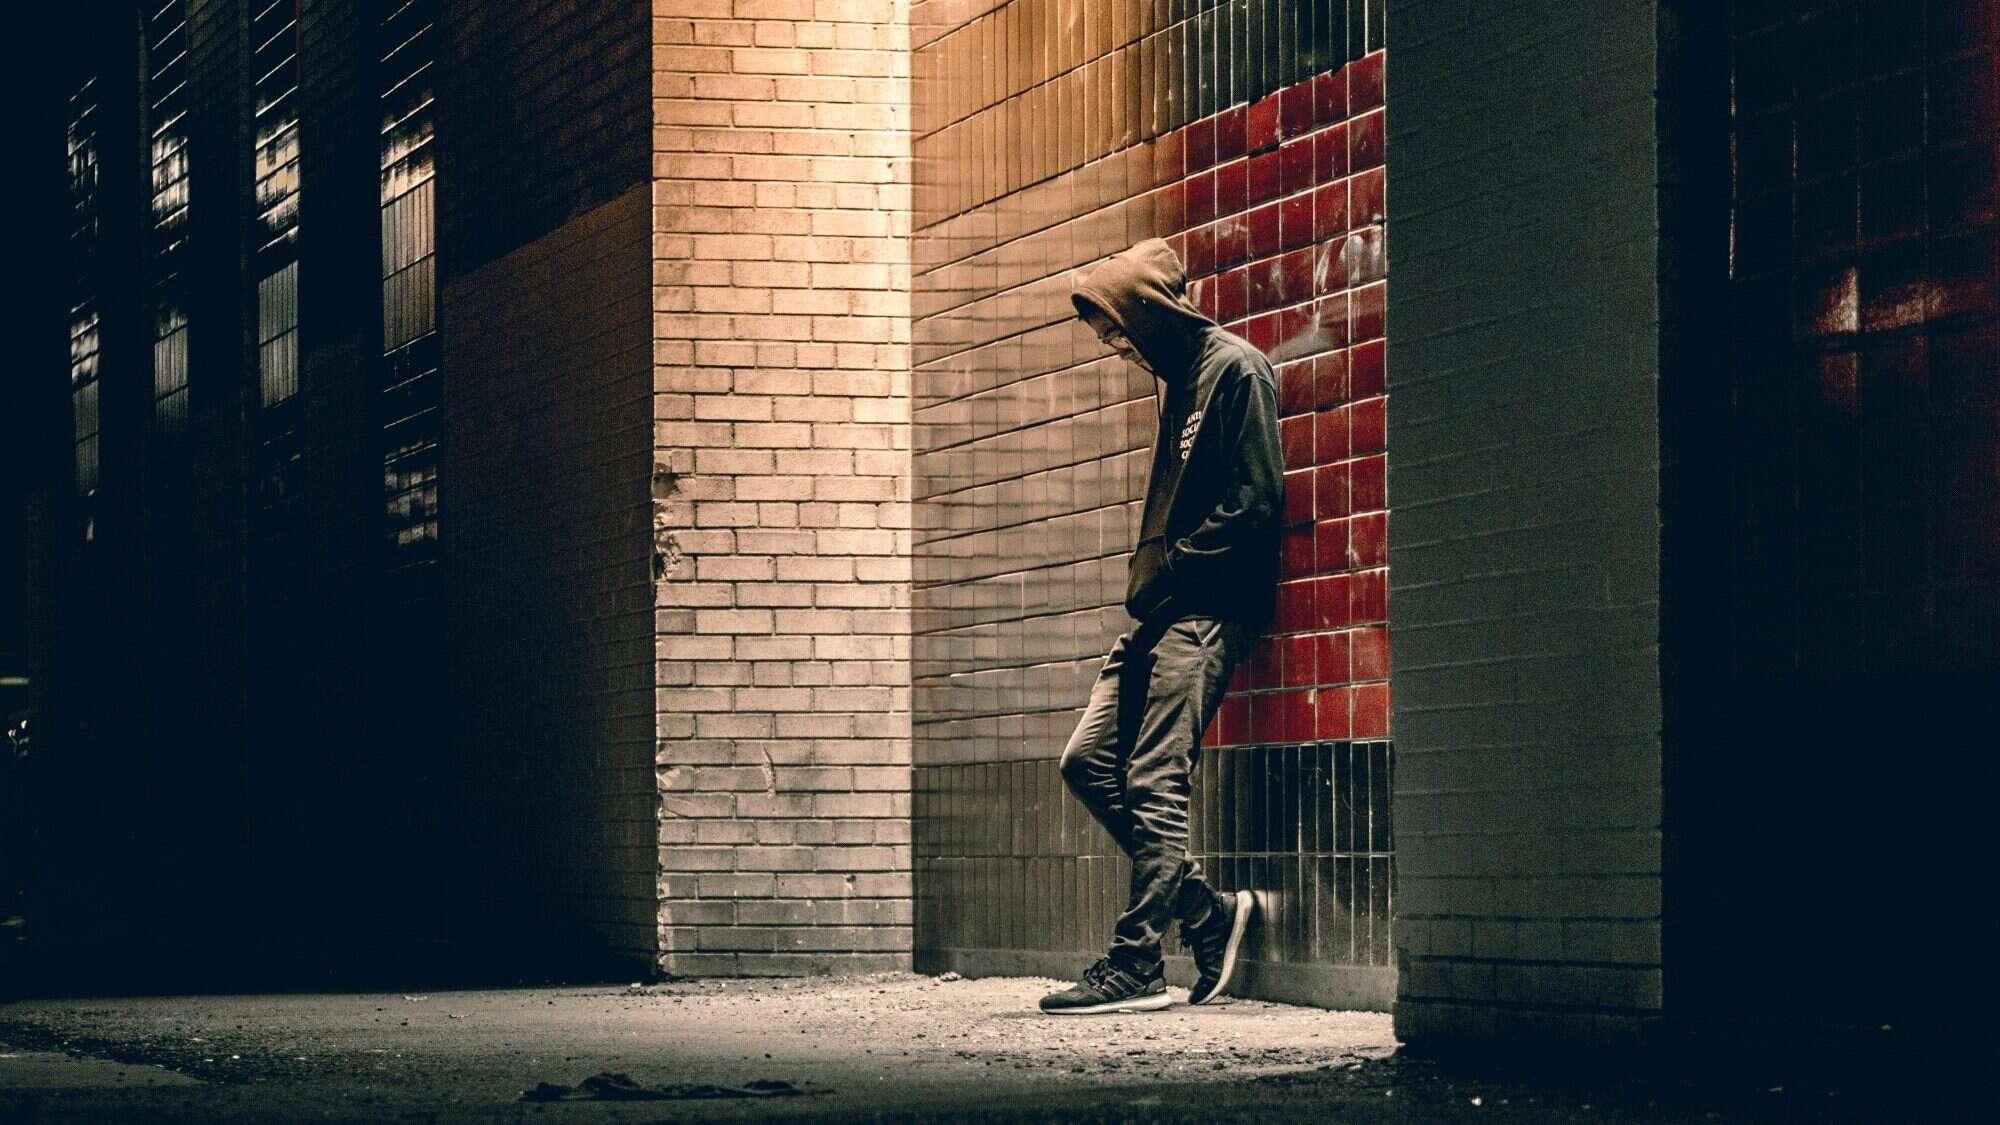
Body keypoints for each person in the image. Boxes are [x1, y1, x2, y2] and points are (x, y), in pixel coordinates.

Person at [1039, 239, 1284, 1015]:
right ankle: (1206, 912)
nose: (1115, 346)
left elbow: (1257, 501)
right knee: (1087, 761)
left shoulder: (1236, 370)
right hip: (1160, 611)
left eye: (1117, 328)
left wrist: (1176, 565)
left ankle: (1138, 960)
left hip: (1207, 611)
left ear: (1151, 311)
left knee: (1153, 776)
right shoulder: (1177, 381)